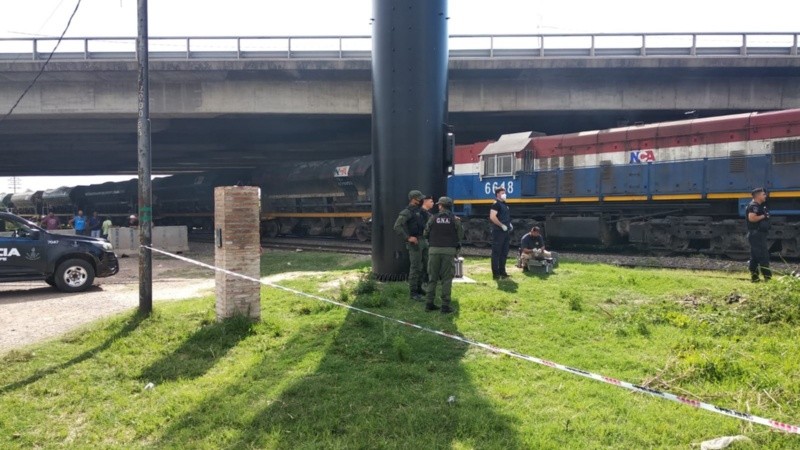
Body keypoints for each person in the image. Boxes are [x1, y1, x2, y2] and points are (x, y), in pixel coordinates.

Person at [423, 196, 464, 314]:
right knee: (446, 279)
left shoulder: (433, 218)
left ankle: (429, 304)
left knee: (432, 278)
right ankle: (445, 306)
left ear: (440, 206)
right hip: (449, 251)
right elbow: (460, 235)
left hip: (434, 251)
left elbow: (425, 233)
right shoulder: (455, 219)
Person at [393, 190, 429, 300]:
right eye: (419, 198)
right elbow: (397, 226)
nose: (421, 200)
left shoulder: (419, 210)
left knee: (424, 266)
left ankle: (419, 288)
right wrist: (408, 238)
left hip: (423, 241)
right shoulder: (407, 212)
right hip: (415, 243)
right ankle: (413, 292)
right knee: (415, 267)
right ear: (414, 199)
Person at [746, 187, 771, 282]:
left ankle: (755, 278)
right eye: (763, 194)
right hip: (757, 234)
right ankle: (768, 278)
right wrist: (764, 216)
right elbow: (752, 218)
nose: (765, 196)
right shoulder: (754, 205)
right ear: (758, 196)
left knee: (755, 257)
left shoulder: (759, 205)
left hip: (757, 234)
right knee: (763, 256)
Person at [489, 187, 512, 279]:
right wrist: (501, 225)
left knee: (504, 252)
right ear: (497, 194)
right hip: (498, 232)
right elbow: (492, 217)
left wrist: (509, 224)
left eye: (504, 193)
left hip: (506, 231)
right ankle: (496, 274)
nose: (504, 194)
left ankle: (503, 272)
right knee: (496, 253)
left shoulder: (504, 204)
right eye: (502, 193)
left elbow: (504, 216)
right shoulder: (496, 204)